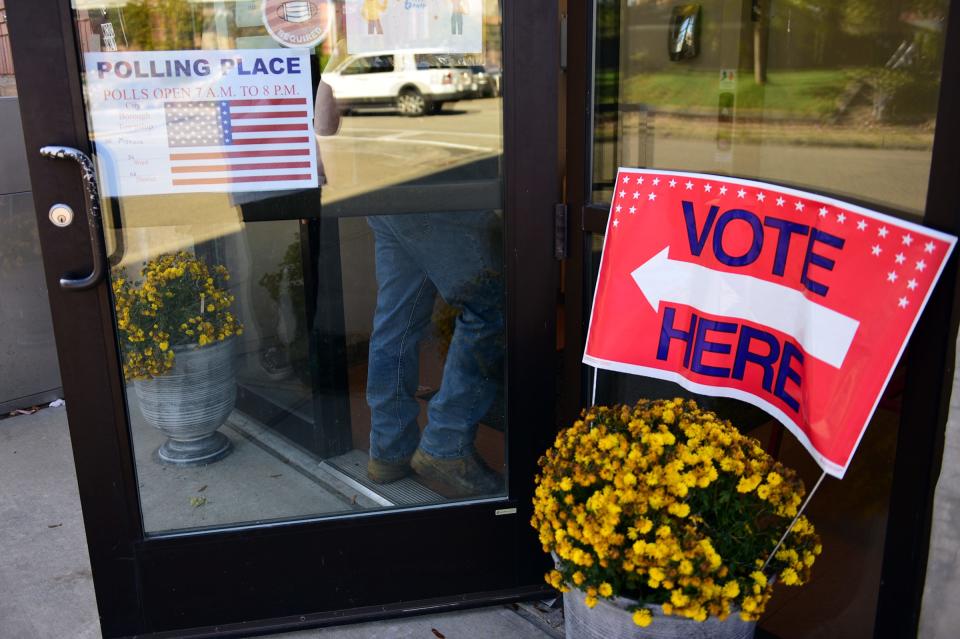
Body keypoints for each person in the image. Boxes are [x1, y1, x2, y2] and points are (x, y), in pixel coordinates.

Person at [365, 208, 504, 498]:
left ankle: (389, 449)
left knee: (396, 320)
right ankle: (446, 443)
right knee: (491, 308)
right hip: (432, 187)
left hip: (381, 189)